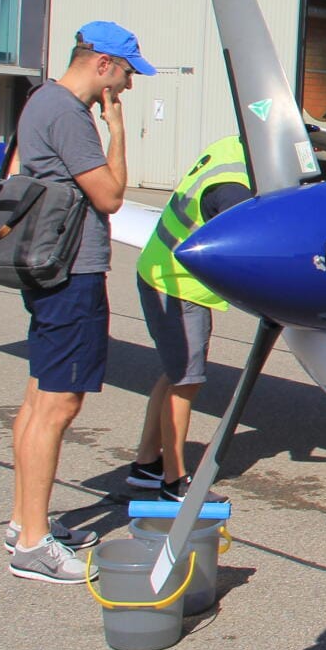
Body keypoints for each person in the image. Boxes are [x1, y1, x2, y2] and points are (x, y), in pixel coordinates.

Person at [5, 21, 155, 583]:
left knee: (38, 396)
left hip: (48, 268)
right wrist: (116, 131)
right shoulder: (70, 114)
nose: (127, 87)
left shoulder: (40, 100)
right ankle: (34, 545)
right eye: (126, 74)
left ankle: (26, 521)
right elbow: (111, 197)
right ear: (101, 64)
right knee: (59, 405)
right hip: (72, 272)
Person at [126, 136, 254, 500]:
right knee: (187, 380)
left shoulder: (231, 148)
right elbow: (246, 243)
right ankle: (174, 481)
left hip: (161, 272)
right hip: (176, 285)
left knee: (174, 373)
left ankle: (146, 463)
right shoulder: (233, 188)